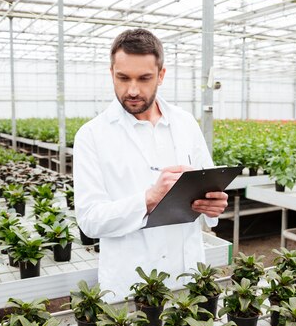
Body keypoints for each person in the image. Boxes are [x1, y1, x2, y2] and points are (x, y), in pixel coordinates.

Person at [73, 28, 228, 300]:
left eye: (144, 78)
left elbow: (209, 187)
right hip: (129, 284)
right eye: (123, 78)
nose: (132, 90)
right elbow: (89, 221)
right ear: (112, 73)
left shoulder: (185, 123)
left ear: (161, 75)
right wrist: (149, 198)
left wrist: (214, 206)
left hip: (187, 275)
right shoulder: (92, 135)